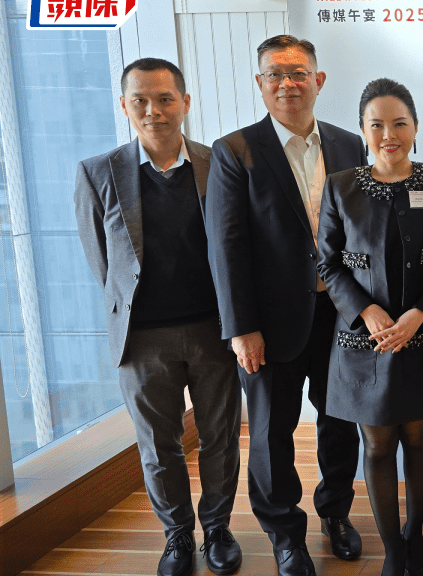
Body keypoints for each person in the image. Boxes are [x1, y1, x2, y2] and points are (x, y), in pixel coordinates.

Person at [206, 35, 368, 576]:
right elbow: (226, 245)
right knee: (272, 432)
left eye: (298, 73)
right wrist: (241, 328)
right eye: (274, 74)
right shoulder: (236, 151)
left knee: (339, 421)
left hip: (340, 314)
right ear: (260, 84)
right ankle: (285, 535)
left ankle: (336, 513)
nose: (287, 84)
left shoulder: (349, 144)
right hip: (269, 324)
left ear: (318, 80)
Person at [74, 58, 242, 576]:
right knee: (157, 445)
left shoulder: (219, 163)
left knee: (220, 438)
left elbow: (239, 247)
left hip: (214, 331)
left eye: (166, 99)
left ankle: (217, 528)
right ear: (124, 106)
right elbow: (101, 260)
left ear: (185, 102)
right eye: (140, 100)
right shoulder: (98, 172)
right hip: (142, 340)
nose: (154, 110)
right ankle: (177, 536)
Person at [316, 78, 423, 576]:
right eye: (376, 124)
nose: (389, 135)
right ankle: (392, 550)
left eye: (399, 123)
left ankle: (413, 536)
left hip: (422, 335)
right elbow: (328, 263)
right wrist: (366, 311)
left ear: (415, 127)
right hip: (365, 341)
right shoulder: (340, 186)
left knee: (418, 438)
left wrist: (419, 312)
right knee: (378, 444)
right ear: (362, 130)